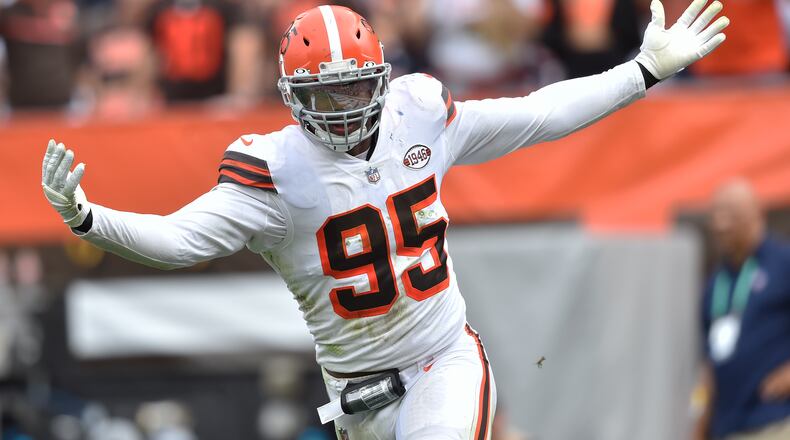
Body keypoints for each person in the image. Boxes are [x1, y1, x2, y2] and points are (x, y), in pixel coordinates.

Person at [41, 2, 728, 438]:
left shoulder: (420, 112)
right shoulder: (272, 173)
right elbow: (178, 241)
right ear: (290, 97)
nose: (343, 105)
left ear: (382, 76)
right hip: (357, 395)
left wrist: (639, 71)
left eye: (355, 85)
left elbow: (538, 114)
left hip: (442, 359)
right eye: (325, 91)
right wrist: (87, 218)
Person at [693, 180, 790, 440]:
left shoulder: (783, 263)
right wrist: (699, 425)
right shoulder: (716, 283)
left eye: (731, 214)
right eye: (716, 214)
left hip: (776, 422)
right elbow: (709, 364)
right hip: (727, 426)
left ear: (757, 214)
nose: (721, 224)